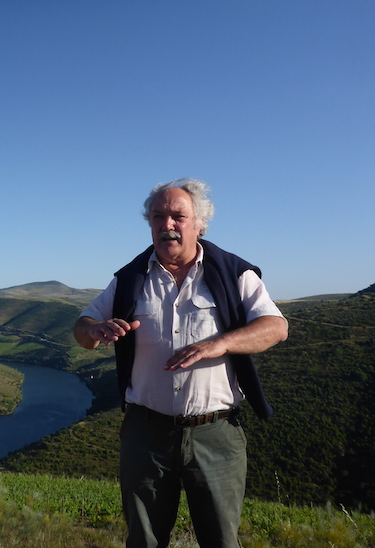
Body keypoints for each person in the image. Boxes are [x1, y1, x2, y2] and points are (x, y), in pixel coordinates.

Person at [74, 179, 288, 548]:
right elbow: (81, 328)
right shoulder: (129, 279)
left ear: (199, 224)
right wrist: (97, 330)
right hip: (146, 434)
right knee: (144, 540)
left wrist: (220, 343)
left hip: (216, 434)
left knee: (221, 541)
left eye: (178, 216)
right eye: (158, 216)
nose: (167, 224)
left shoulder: (233, 273)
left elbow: (276, 327)